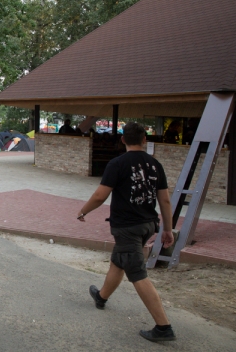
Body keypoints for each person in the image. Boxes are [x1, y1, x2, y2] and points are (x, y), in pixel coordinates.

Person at [77, 122, 175, 342]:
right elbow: (165, 199)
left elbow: (100, 196)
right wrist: (167, 229)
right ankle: (101, 297)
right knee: (119, 260)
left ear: (122, 140)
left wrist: (82, 211)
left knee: (137, 272)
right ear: (144, 140)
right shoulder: (155, 164)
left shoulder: (117, 164)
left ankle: (163, 327)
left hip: (127, 227)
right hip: (148, 224)